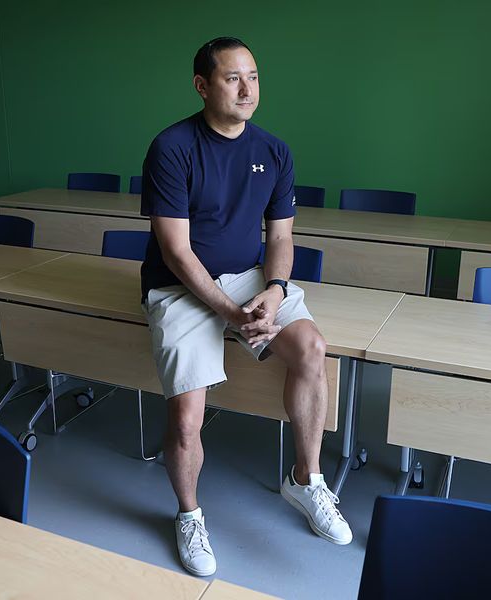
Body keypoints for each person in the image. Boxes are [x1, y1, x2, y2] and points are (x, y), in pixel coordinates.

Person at [140, 37, 352, 577]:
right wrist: (232, 316)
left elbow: (280, 237)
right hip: (179, 286)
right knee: (187, 418)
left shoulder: (275, 151)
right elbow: (176, 251)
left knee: (312, 348)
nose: (247, 88)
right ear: (202, 85)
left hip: (251, 280)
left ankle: (306, 481)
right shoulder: (172, 147)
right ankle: (189, 515)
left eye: (253, 76)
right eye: (233, 77)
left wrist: (276, 288)